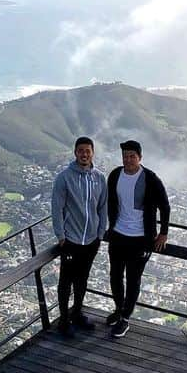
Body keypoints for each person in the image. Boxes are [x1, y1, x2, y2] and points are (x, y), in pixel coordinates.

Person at [105, 139, 170, 338]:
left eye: (132, 156)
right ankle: (119, 309)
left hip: (141, 238)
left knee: (133, 279)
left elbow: (165, 206)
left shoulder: (150, 178)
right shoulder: (115, 175)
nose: (128, 159)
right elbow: (110, 201)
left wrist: (163, 233)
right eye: (125, 156)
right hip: (117, 234)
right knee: (115, 276)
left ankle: (125, 319)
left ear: (140, 158)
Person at [51, 136, 108, 335]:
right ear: (75, 153)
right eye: (81, 150)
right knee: (66, 281)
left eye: (88, 151)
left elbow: (103, 207)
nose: (84, 154)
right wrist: (60, 236)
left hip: (91, 240)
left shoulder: (99, 178)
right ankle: (64, 321)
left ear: (93, 153)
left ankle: (77, 313)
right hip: (71, 240)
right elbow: (56, 209)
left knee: (82, 279)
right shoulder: (64, 177)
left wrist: (100, 234)